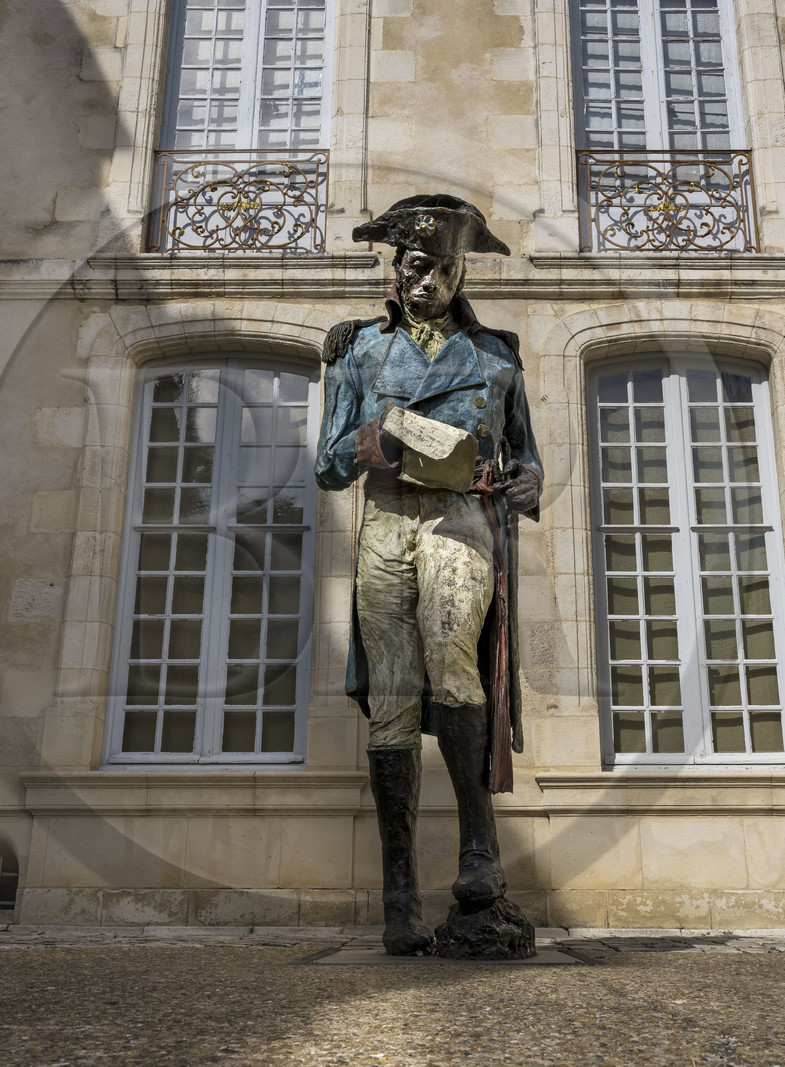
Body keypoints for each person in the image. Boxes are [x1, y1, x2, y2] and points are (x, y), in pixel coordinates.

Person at [315, 194, 542, 955]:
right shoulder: (358, 353)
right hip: (385, 522)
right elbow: (325, 463)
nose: (429, 282)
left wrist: (525, 484)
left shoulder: (497, 355)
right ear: (394, 265)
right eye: (417, 266)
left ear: (461, 270)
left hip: (460, 519)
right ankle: (400, 893)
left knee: (452, 664)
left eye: (445, 268)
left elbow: (527, 457)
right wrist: (370, 439)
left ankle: (478, 853)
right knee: (391, 704)